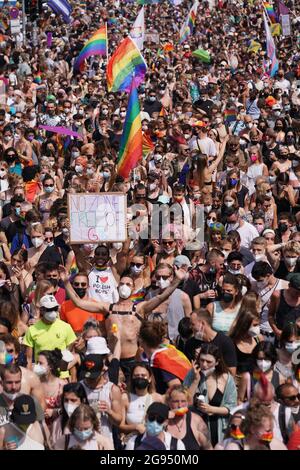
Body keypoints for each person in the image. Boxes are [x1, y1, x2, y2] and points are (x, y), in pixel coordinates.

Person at [184, 343, 237, 447]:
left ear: (217, 362)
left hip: (219, 428)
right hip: (197, 428)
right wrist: (196, 380)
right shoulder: (192, 374)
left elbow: (231, 407)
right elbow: (185, 401)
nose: (204, 364)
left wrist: (211, 409)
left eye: (209, 362)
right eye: (202, 360)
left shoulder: (226, 378)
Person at [23, 294, 76, 375]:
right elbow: (28, 359)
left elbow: (70, 356)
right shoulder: (32, 330)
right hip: (41, 377)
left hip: (61, 377)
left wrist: (72, 378)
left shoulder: (66, 327)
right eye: (49, 309)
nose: (53, 312)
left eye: (55, 308)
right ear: (42, 310)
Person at [138, 322, 191, 394]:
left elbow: (177, 389)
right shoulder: (167, 349)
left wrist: (162, 399)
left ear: (141, 341)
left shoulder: (161, 360)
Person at [79, 354, 122, 442]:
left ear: (103, 371)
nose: (89, 380)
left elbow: (118, 421)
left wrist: (109, 411)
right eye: (87, 376)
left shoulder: (113, 389)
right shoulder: (79, 387)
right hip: (82, 440)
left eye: (93, 377)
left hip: (105, 440)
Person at [185, 309, 237, 375]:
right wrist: (198, 360)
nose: (190, 327)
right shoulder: (190, 344)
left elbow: (232, 373)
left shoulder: (225, 342)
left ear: (202, 324)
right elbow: (186, 370)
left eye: (193, 324)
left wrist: (211, 361)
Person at [120, 363, 164, 439]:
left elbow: (164, 422)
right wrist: (135, 427)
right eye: (136, 376)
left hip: (154, 441)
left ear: (150, 378)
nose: (140, 378)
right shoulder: (125, 397)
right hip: (133, 442)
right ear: (132, 378)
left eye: (143, 375)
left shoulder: (157, 398)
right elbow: (121, 426)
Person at [166, 385, 212, 450]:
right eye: (176, 401)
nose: (180, 405)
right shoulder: (163, 421)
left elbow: (208, 447)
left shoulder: (197, 421)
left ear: (188, 402)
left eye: (183, 401)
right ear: (169, 402)